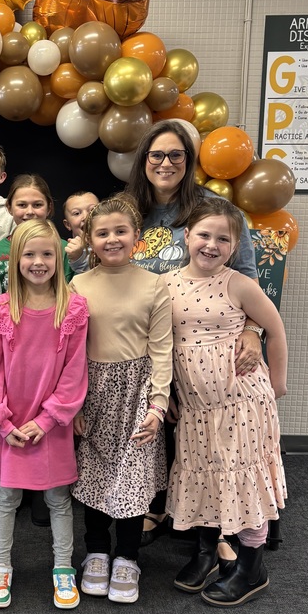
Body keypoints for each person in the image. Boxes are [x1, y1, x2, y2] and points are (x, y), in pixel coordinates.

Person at [125, 120, 263, 554]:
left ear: (189, 161)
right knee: (152, 423)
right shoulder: (131, 210)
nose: (165, 163)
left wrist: (255, 331)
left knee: (203, 434)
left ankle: (220, 523)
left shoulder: (215, 209)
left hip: (206, 349)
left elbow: (248, 279)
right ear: (144, 160)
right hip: (140, 342)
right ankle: (157, 501)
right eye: (156, 155)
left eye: (176, 155)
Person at [164, 198, 287, 606]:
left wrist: (279, 385)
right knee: (207, 476)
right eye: (203, 234)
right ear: (187, 236)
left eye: (223, 238)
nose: (211, 245)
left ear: (235, 246)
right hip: (198, 409)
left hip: (241, 404)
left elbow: (275, 327)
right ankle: (208, 554)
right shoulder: (167, 284)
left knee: (243, 479)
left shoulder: (238, 283)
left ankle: (251, 567)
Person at [0, 220, 89, 610]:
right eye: (30, 254)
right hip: (11, 424)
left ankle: (63, 567)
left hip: (51, 424)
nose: (39, 262)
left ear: (60, 259)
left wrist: (46, 420)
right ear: (14, 260)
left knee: (58, 499)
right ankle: (1, 565)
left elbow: (75, 373)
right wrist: (1, 422)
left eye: (47, 254)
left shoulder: (74, 309)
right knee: (6, 498)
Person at [70, 196, 172, 604]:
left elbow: (163, 349)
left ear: (136, 237)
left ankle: (127, 557)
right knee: (94, 474)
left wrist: (158, 404)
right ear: (89, 239)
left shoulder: (154, 283)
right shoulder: (79, 284)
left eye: (120, 231)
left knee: (133, 475)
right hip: (93, 390)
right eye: (102, 233)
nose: (112, 239)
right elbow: (71, 350)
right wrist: (74, 402)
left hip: (137, 390)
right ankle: (96, 552)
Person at [0, 174, 74, 293]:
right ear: (9, 207)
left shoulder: (65, 249)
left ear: (49, 208)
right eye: (22, 205)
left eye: (37, 205)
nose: (30, 212)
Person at [62, 190, 99, 275]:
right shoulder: (66, 252)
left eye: (92, 210)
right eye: (77, 213)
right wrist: (78, 258)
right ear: (68, 224)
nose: (86, 217)